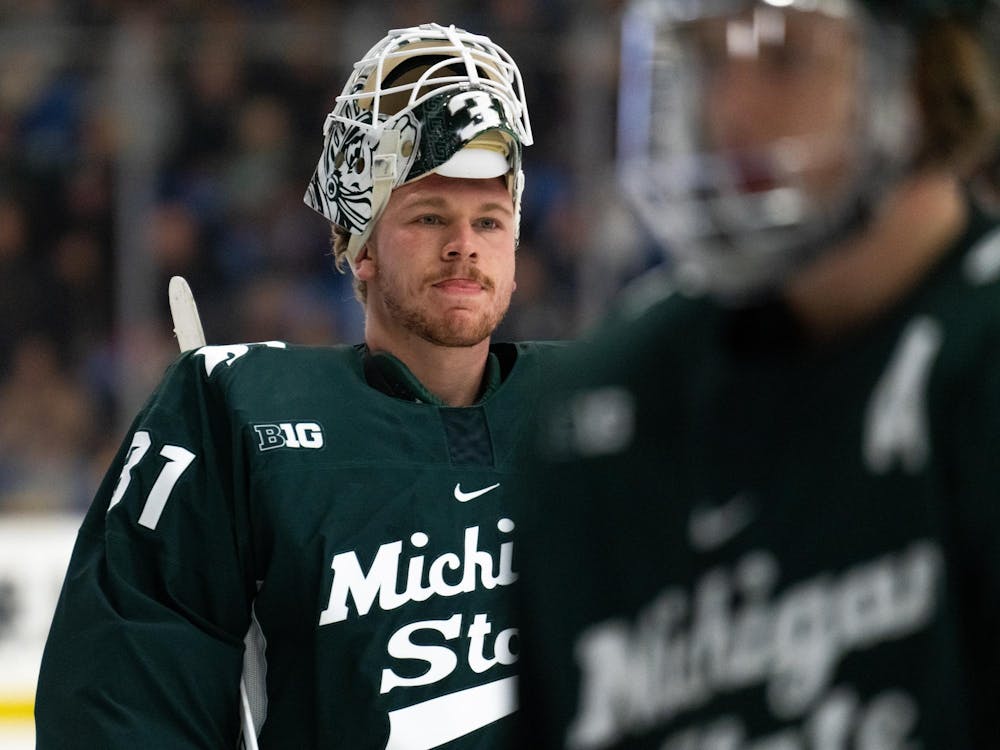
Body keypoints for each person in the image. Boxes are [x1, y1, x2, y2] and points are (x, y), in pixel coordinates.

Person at [36, 22, 554, 749]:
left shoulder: (600, 411)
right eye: (430, 216)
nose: (464, 244)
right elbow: (121, 696)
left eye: (490, 220)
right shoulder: (238, 414)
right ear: (360, 245)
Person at [513, 0, 1000, 747]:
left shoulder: (980, 363)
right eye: (709, 61)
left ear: (923, 77)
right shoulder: (596, 407)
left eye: (786, 59)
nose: (730, 111)